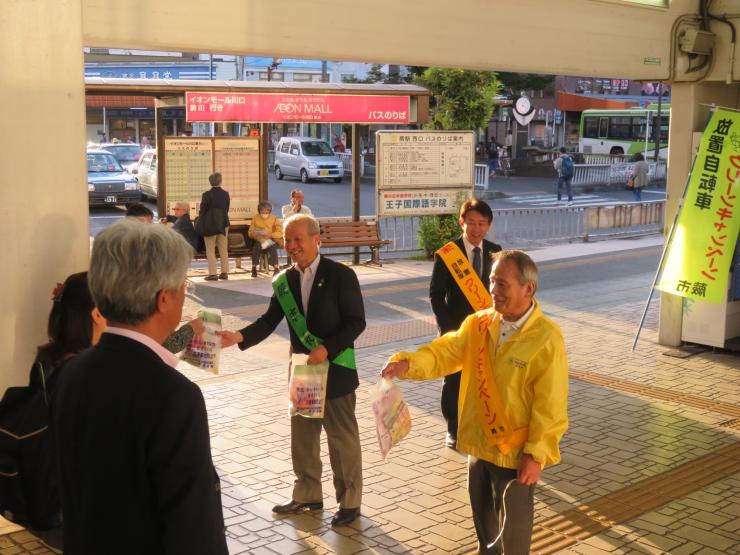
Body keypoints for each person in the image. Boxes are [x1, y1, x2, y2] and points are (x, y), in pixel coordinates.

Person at [52, 218, 227, 555]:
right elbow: (192, 527)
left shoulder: (71, 373)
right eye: (182, 285)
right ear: (164, 299)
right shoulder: (174, 396)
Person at [382, 250, 568, 555]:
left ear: (528, 288)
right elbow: (445, 352)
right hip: (479, 448)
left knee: (513, 538)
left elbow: (551, 403)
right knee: (485, 533)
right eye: (492, 281)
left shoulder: (547, 337)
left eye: (503, 284)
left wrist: (537, 455)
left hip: (514, 455)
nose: (493, 290)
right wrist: (407, 363)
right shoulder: (480, 324)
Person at [218, 214, 366, 527]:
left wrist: (328, 347)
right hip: (304, 372)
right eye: (287, 239)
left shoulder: (341, 275)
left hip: (335, 369)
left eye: (298, 239)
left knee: (342, 441)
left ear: (317, 240)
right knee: (303, 438)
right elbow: (269, 320)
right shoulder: (286, 280)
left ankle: (349, 501)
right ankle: (308, 494)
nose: (292, 246)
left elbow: (357, 322)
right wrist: (238, 337)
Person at [429, 199, 501, 449]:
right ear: (462, 223)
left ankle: (479, 424)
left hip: (487, 329)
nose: (476, 228)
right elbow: (436, 295)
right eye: (471, 222)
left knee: (484, 379)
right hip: (456, 329)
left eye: (482, 223)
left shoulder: (495, 251)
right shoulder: (449, 253)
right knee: (454, 380)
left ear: (489, 226)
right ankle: (453, 429)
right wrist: (448, 330)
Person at [199, 172, 230, 281]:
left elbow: (202, 211)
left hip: (209, 225)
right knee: (223, 249)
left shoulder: (206, 195)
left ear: (210, 182)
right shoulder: (226, 194)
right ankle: (224, 272)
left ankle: (213, 274)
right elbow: (226, 209)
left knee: (210, 250)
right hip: (223, 224)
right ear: (220, 181)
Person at [249, 201, 283, 277]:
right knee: (257, 246)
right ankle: (254, 267)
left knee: (272, 246)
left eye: (266, 211)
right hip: (258, 240)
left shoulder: (274, 219)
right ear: (259, 211)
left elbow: (280, 232)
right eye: (262, 211)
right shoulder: (255, 218)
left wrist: (270, 235)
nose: (264, 213)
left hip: (270, 240)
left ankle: (276, 268)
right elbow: (250, 231)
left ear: (269, 211)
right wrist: (252, 234)